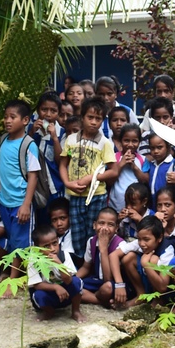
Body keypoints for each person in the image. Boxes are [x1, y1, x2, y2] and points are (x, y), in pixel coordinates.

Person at [59, 96, 118, 260]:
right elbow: (63, 163)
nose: (93, 122)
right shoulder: (71, 140)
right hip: (75, 195)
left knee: (95, 233)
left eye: (98, 119)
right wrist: (67, 183)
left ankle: (95, 266)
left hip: (96, 195)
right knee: (77, 233)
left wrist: (92, 178)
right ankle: (79, 266)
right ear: (82, 117)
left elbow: (113, 171)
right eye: (90, 117)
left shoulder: (104, 143)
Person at [0, 99, 40, 279]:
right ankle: (12, 274)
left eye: (12, 117)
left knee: (22, 243)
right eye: (5, 117)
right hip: (4, 201)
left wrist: (26, 204)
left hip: (20, 202)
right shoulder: (3, 140)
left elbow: (33, 176)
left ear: (25, 120)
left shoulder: (28, 144)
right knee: (12, 239)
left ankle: (14, 279)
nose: (7, 120)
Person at [27, 225, 86, 322]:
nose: (52, 248)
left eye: (55, 243)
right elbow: (37, 285)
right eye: (46, 246)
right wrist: (56, 287)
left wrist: (59, 264)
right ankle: (49, 312)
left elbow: (69, 280)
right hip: (49, 295)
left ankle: (75, 311)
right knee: (38, 295)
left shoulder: (64, 255)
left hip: (66, 295)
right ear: (37, 248)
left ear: (58, 240)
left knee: (77, 282)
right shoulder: (33, 261)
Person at [75, 206, 122, 307]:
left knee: (107, 288)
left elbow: (108, 279)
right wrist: (73, 279)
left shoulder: (120, 245)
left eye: (110, 225)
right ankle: (100, 300)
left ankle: (92, 297)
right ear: (94, 225)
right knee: (74, 287)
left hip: (113, 284)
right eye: (101, 223)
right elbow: (85, 267)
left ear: (116, 228)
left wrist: (103, 249)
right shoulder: (91, 241)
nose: (105, 228)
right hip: (96, 281)